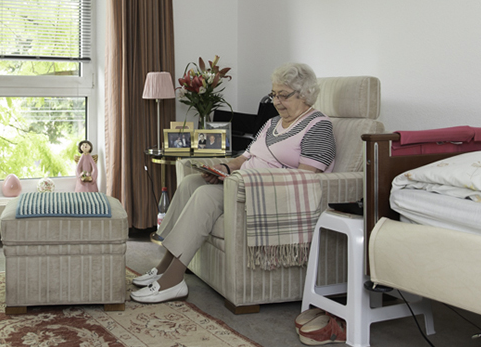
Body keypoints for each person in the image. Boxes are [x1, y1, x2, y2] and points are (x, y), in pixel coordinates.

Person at [131, 62, 336, 303]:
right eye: (274, 95)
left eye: (284, 95)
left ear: (305, 94)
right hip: (241, 183)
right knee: (190, 183)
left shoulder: (319, 126)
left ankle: (173, 280)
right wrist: (224, 169)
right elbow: (245, 157)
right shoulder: (271, 124)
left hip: (266, 193)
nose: (277, 102)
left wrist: (247, 179)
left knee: (205, 196)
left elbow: (305, 178)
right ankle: (166, 264)